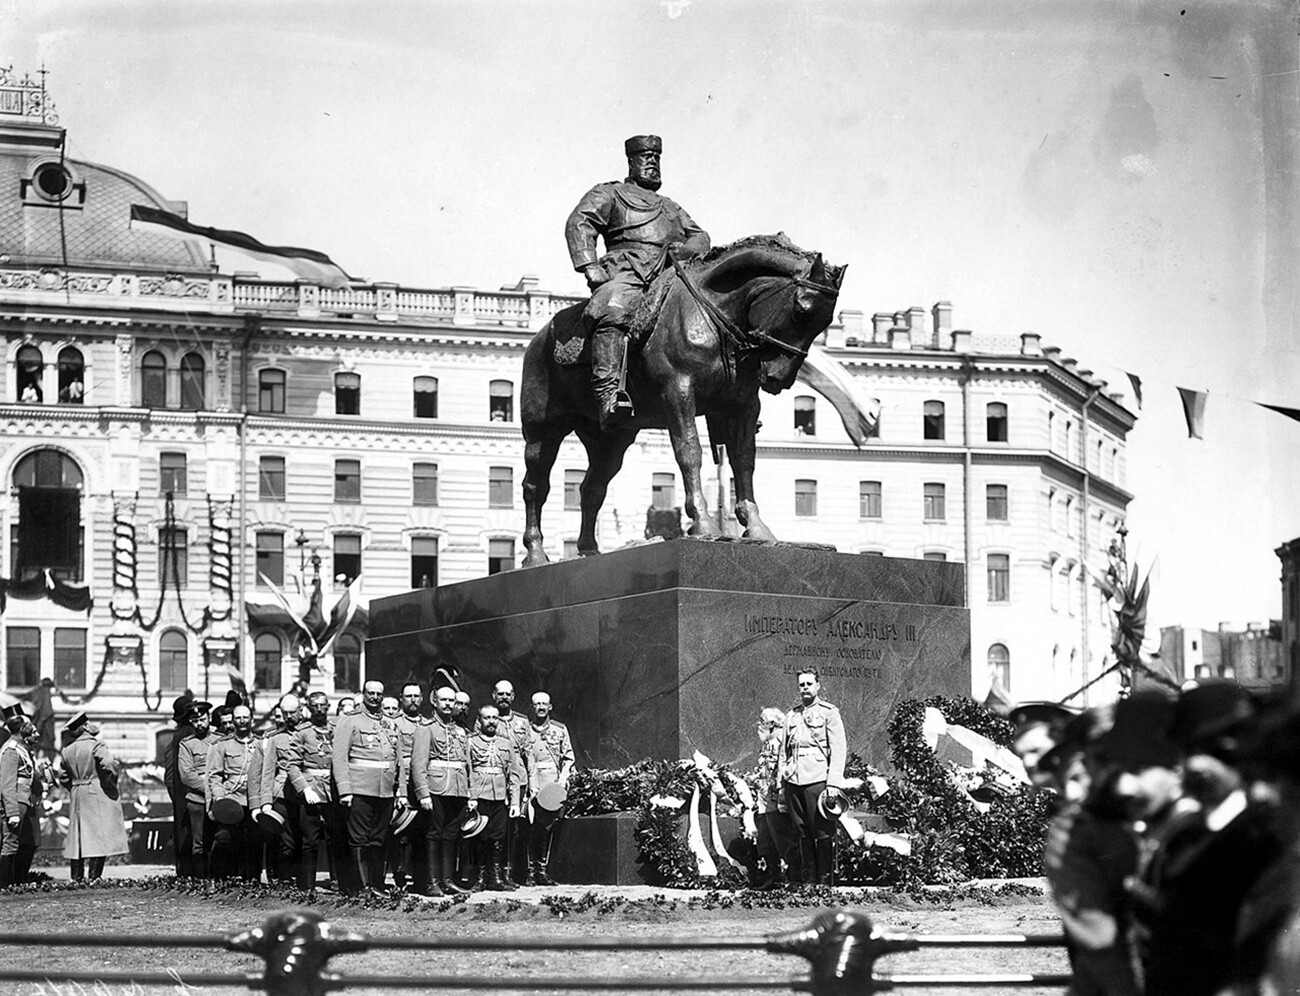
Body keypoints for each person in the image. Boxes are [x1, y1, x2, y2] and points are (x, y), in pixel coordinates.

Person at [1130, 681, 1280, 996]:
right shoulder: (1187, 835)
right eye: (1188, 751)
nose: (1193, 765)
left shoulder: (1261, 838)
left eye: (1208, 751)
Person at [564, 134, 711, 427]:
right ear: (631, 161)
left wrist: (685, 249)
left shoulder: (670, 207)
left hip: (669, 276)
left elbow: (701, 236)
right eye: (646, 158)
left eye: (657, 158)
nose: (653, 163)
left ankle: (724, 405)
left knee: (710, 317)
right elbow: (579, 222)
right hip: (626, 272)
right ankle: (608, 393)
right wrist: (589, 265)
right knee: (613, 307)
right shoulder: (610, 194)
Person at [331, 679, 399, 896]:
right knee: (359, 838)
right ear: (363, 694)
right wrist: (345, 790)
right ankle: (361, 887)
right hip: (359, 789)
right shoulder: (349, 721)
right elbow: (339, 758)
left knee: (379, 839)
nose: (375, 698)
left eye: (379, 694)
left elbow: (397, 761)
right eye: (371, 693)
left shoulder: (388, 723)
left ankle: (377, 885)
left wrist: (401, 792)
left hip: (385, 790)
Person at [780, 669, 846, 885]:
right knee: (802, 831)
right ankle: (808, 880)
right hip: (793, 779)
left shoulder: (829, 712)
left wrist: (833, 782)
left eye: (809, 683)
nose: (805, 688)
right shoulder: (791, 715)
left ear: (818, 686)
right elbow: (784, 752)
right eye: (801, 684)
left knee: (821, 830)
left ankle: (825, 881)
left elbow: (838, 749)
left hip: (817, 778)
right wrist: (783, 781)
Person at [409, 684, 471, 896]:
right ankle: (431, 882)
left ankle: (447, 880)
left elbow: (467, 764)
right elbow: (418, 764)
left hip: (458, 789)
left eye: (451, 701)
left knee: (451, 835)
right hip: (435, 789)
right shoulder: (426, 728)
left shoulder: (461, 731)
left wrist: (469, 792)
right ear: (434, 702)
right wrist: (423, 793)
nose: (448, 704)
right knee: (433, 835)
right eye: (443, 700)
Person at [60, 711, 128, 881]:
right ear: (85, 727)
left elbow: (62, 777)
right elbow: (109, 765)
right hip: (96, 791)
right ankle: (94, 877)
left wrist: (75, 787)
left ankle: (76, 877)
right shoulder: (97, 745)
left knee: (77, 837)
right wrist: (109, 784)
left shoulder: (67, 750)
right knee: (99, 834)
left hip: (77, 792)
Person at [283, 690, 333, 893]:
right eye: (315, 706)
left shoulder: (337, 730)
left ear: (328, 707)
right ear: (308, 709)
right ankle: (308, 886)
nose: (319, 710)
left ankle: (339, 883)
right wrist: (304, 789)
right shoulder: (301, 733)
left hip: (334, 790)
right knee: (309, 840)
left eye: (323, 706)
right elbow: (292, 765)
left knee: (335, 837)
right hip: (311, 791)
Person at [467, 704, 520, 892]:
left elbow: (514, 774)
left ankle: (496, 877)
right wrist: (471, 796)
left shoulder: (506, 744)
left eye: (494, 718)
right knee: (480, 837)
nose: (491, 721)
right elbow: (468, 771)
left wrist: (514, 801)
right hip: (480, 796)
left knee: (498, 836)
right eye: (487, 717)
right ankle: (480, 877)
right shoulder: (471, 742)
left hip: (500, 797)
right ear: (479, 720)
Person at [251, 693, 301, 884]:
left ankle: (303, 878)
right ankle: (285, 877)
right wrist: (265, 802)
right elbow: (267, 773)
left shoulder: (309, 733)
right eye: (285, 713)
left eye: (292, 712)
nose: (289, 717)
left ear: (301, 711)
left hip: (305, 793)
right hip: (281, 793)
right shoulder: (274, 738)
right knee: (284, 839)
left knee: (304, 837)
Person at [525, 690, 573, 886]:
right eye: (537, 704)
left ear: (550, 707)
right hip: (531, 783)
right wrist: (530, 786)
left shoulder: (560, 730)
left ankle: (542, 870)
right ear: (532, 707)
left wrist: (562, 780)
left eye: (545, 704)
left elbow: (568, 757)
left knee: (547, 828)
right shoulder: (525, 730)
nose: (541, 707)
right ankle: (529, 871)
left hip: (552, 784)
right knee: (529, 827)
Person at [390, 682, 429, 891]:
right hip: (402, 781)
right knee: (401, 833)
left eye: (416, 696)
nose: (413, 700)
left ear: (422, 699)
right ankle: (400, 875)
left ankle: (420, 876)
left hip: (422, 784)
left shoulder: (428, 724)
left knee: (422, 832)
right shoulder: (394, 724)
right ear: (401, 699)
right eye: (408, 696)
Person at [754, 707, 798, 889]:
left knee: (784, 840)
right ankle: (774, 877)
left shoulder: (782, 741)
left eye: (761, 722)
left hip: (776, 801)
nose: (758, 726)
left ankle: (796, 878)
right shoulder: (767, 743)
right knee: (765, 842)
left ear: (771, 725)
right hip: (764, 802)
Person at [493, 679, 531, 886]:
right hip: (497, 780)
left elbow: (529, 754)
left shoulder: (522, 722)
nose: (504, 697)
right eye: (500, 694)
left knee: (517, 828)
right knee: (499, 828)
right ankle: (496, 873)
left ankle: (515, 873)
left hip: (519, 779)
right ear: (494, 696)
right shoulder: (487, 718)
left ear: (513, 696)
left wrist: (531, 782)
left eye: (508, 694)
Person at [0, 710, 43, 887]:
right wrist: (12, 812)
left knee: (27, 843)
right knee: (10, 843)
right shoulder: (11, 751)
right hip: (16, 803)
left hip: (25, 802)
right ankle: (4, 886)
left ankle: (17, 881)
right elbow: (7, 785)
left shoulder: (23, 749)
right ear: (23, 729)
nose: (36, 732)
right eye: (32, 728)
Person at [176, 700, 214, 878]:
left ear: (209, 718)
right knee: (198, 844)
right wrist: (210, 787)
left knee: (219, 841)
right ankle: (201, 881)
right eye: (195, 721)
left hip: (220, 800)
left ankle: (219, 881)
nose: (200, 724)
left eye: (203, 719)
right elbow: (187, 774)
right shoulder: (187, 744)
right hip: (197, 800)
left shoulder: (220, 740)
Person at [163, 692, 196, 877]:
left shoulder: (176, 736)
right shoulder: (190, 735)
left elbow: (168, 773)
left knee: (183, 832)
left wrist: (175, 794)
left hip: (178, 791)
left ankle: (184, 873)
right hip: (190, 791)